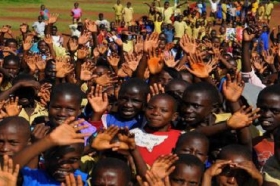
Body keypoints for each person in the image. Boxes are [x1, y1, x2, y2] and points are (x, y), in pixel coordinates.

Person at [130, 93, 181, 166]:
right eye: (151, 108)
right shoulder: (132, 135)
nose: (155, 113)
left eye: (164, 110)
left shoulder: (180, 137)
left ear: (174, 116)